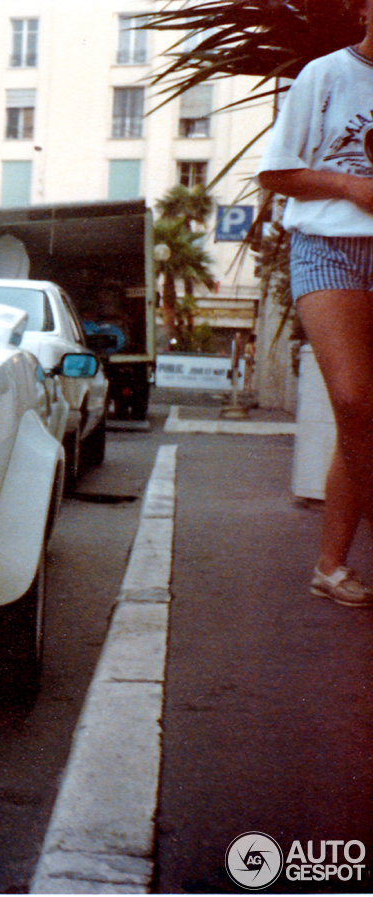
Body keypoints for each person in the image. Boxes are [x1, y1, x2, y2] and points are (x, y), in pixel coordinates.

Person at [257, 0, 373, 607]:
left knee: (363, 421)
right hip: (329, 249)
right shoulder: (326, 75)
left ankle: (331, 567)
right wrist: (351, 185)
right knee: (354, 400)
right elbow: (276, 172)